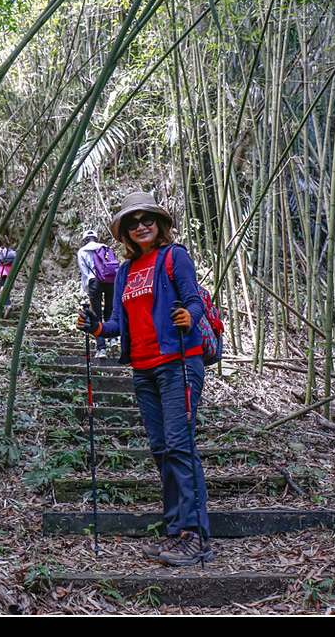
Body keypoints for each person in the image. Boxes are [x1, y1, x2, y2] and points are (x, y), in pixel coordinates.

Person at [76, 191, 213, 566]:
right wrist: (97, 326)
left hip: (178, 363)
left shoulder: (174, 256)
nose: (141, 226)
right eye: (132, 222)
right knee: (161, 448)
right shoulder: (124, 272)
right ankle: (175, 530)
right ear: (124, 232)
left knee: (179, 444)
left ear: (160, 223)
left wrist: (188, 314)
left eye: (146, 219)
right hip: (143, 369)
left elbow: (194, 299)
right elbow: (119, 323)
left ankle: (194, 535)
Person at [77, 229, 115, 358]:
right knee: (109, 311)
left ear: (85, 240)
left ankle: (101, 348)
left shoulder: (82, 251)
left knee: (96, 315)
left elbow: (84, 273)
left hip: (94, 282)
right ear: (96, 238)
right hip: (110, 281)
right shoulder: (105, 248)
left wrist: (86, 290)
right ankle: (113, 339)